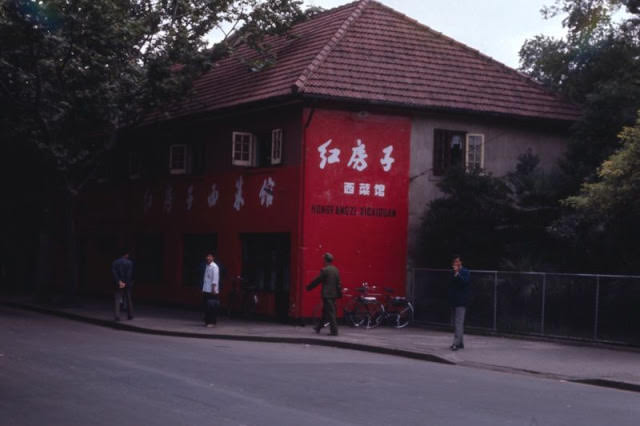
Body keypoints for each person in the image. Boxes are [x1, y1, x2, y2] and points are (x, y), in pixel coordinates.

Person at [306, 252, 342, 336]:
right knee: (325, 312)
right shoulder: (336, 270)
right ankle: (318, 327)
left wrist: (309, 287)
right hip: (334, 295)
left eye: (323, 259)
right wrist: (339, 293)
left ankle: (334, 331)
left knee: (330, 313)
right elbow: (339, 283)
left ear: (325, 260)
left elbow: (317, 280)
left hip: (327, 295)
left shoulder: (325, 270)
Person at [448, 254, 470, 350]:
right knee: (455, 323)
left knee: (458, 323)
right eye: (454, 262)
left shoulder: (465, 272)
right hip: (454, 300)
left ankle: (456, 343)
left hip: (461, 301)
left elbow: (465, 283)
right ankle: (460, 342)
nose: (455, 263)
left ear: (461, 262)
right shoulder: (452, 272)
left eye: (457, 261)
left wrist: (457, 274)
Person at [112, 251, 134, 321]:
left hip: (118, 283)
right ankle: (130, 315)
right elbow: (129, 274)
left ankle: (117, 316)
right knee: (128, 299)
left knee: (117, 299)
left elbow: (114, 273)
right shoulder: (129, 263)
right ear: (126, 255)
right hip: (127, 283)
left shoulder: (115, 262)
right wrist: (125, 282)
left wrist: (119, 281)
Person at [202, 253, 220, 327]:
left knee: (212, 307)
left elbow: (215, 278)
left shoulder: (214, 267)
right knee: (206, 306)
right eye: (207, 256)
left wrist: (213, 289)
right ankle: (207, 321)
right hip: (206, 289)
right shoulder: (207, 265)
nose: (208, 258)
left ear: (213, 258)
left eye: (209, 256)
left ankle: (212, 322)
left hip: (211, 290)